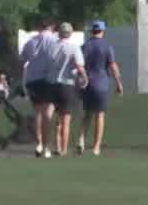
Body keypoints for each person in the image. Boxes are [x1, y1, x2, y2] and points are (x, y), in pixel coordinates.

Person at [78, 20, 124, 156]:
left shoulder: (84, 46)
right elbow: (113, 65)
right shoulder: (107, 46)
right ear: (103, 31)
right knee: (99, 115)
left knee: (87, 114)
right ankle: (96, 147)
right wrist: (119, 83)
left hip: (87, 84)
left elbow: (79, 65)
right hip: (101, 84)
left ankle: (81, 139)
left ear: (92, 31)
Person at [19, 19, 60, 157]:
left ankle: (39, 144)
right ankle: (46, 147)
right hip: (48, 79)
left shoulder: (31, 41)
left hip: (32, 79)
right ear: (52, 26)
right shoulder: (55, 40)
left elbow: (23, 59)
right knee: (48, 113)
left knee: (38, 113)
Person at [46, 22, 87, 156]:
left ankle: (54, 147)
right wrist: (85, 78)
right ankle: (63, 149)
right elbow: (79, 67)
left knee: (56, 120)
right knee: (65, 120)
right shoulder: (73, 48)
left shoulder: (51, 47)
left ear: (59, 33)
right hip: (67, 85)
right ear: (70, 33)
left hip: (52, 85)